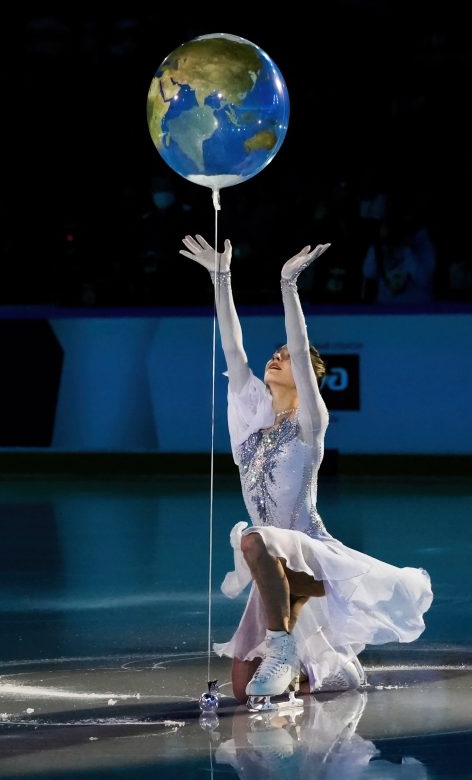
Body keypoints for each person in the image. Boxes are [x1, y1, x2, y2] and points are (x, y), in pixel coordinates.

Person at [179, 234, 433, 711]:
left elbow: (299, 347)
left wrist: (288, 284)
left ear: (306, 380)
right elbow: (233, 350)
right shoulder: (250, 422)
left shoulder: (309, 423)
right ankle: (307, 667)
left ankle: (283, 645)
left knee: (253, 537)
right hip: (272, 570)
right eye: (273, 355)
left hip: (305, 552)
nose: (276, 357)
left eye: (285, 359)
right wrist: (221, 278)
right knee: (242, 689)